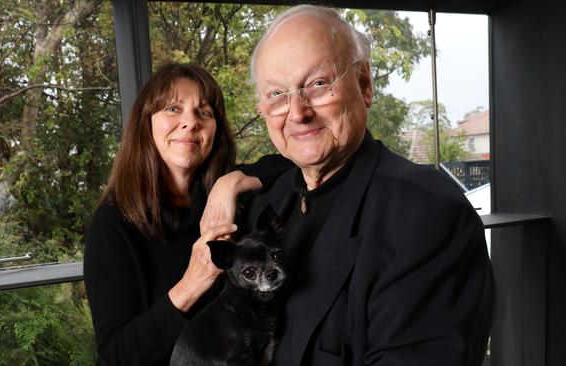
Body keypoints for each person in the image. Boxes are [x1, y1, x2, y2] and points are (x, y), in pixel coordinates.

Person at [204, 5, 493, 366]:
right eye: (277, 95)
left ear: (364, 84)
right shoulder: (266, 206)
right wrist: (228, 181)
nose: (297, 112)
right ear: (263, 109)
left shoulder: (429, 216)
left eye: (319, 84)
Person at [83, 63, 288, 365]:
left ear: (215, 130)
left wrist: (231, 182)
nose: (190, 123)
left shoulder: (227, 202)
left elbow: (295, 162)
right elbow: (116, 354)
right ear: (146, 123)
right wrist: (192, 283)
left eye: (204, 113)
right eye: (172, 109)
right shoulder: (113, 223)